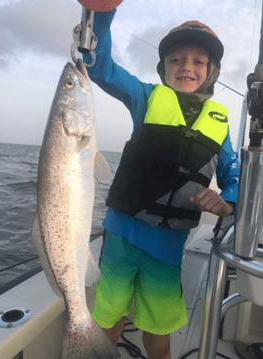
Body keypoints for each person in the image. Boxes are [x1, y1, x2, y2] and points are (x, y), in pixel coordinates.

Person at [83, 10, 239, 359]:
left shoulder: (220, 124)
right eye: (177, 59)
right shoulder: (144, 96)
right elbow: (101, 68)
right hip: (123, 234)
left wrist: (226, 200)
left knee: (158, 329)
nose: (187, 66)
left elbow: (233, 175)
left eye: (199, 61)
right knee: (108, 317)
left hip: (168, 245)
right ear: (163, 66)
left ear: (211, 72)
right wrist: (103, 17)